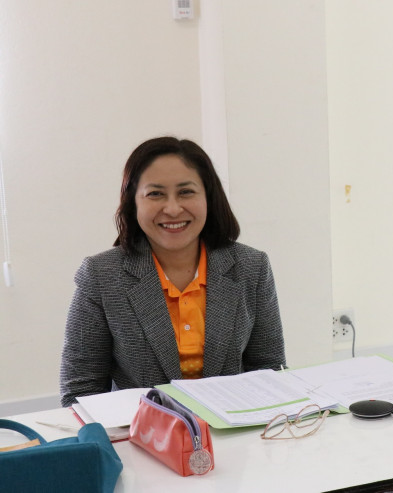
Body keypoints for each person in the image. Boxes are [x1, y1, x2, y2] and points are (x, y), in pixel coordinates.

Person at [60, 137, 285, 406]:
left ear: (209, 197)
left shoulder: (252, 266)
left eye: (186, 192)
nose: (173, 209)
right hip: (139, 429)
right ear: (133, 203)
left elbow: (269, 373)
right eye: (155, 194)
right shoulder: (100, 275)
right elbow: (80, 393)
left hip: (234, 427)